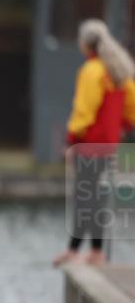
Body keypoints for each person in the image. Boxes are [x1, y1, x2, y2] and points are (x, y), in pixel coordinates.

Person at [53, 19, 135, 267]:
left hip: (90, 145)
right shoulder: (118, 71)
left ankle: (77, 251)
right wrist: (122, 127)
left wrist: (70, 140)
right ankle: (93, 251)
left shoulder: (92, 71)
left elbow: (84, 111)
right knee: (95, 197)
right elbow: (131, 108)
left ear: (85, 44)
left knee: (84, 198)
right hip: (110, 145)